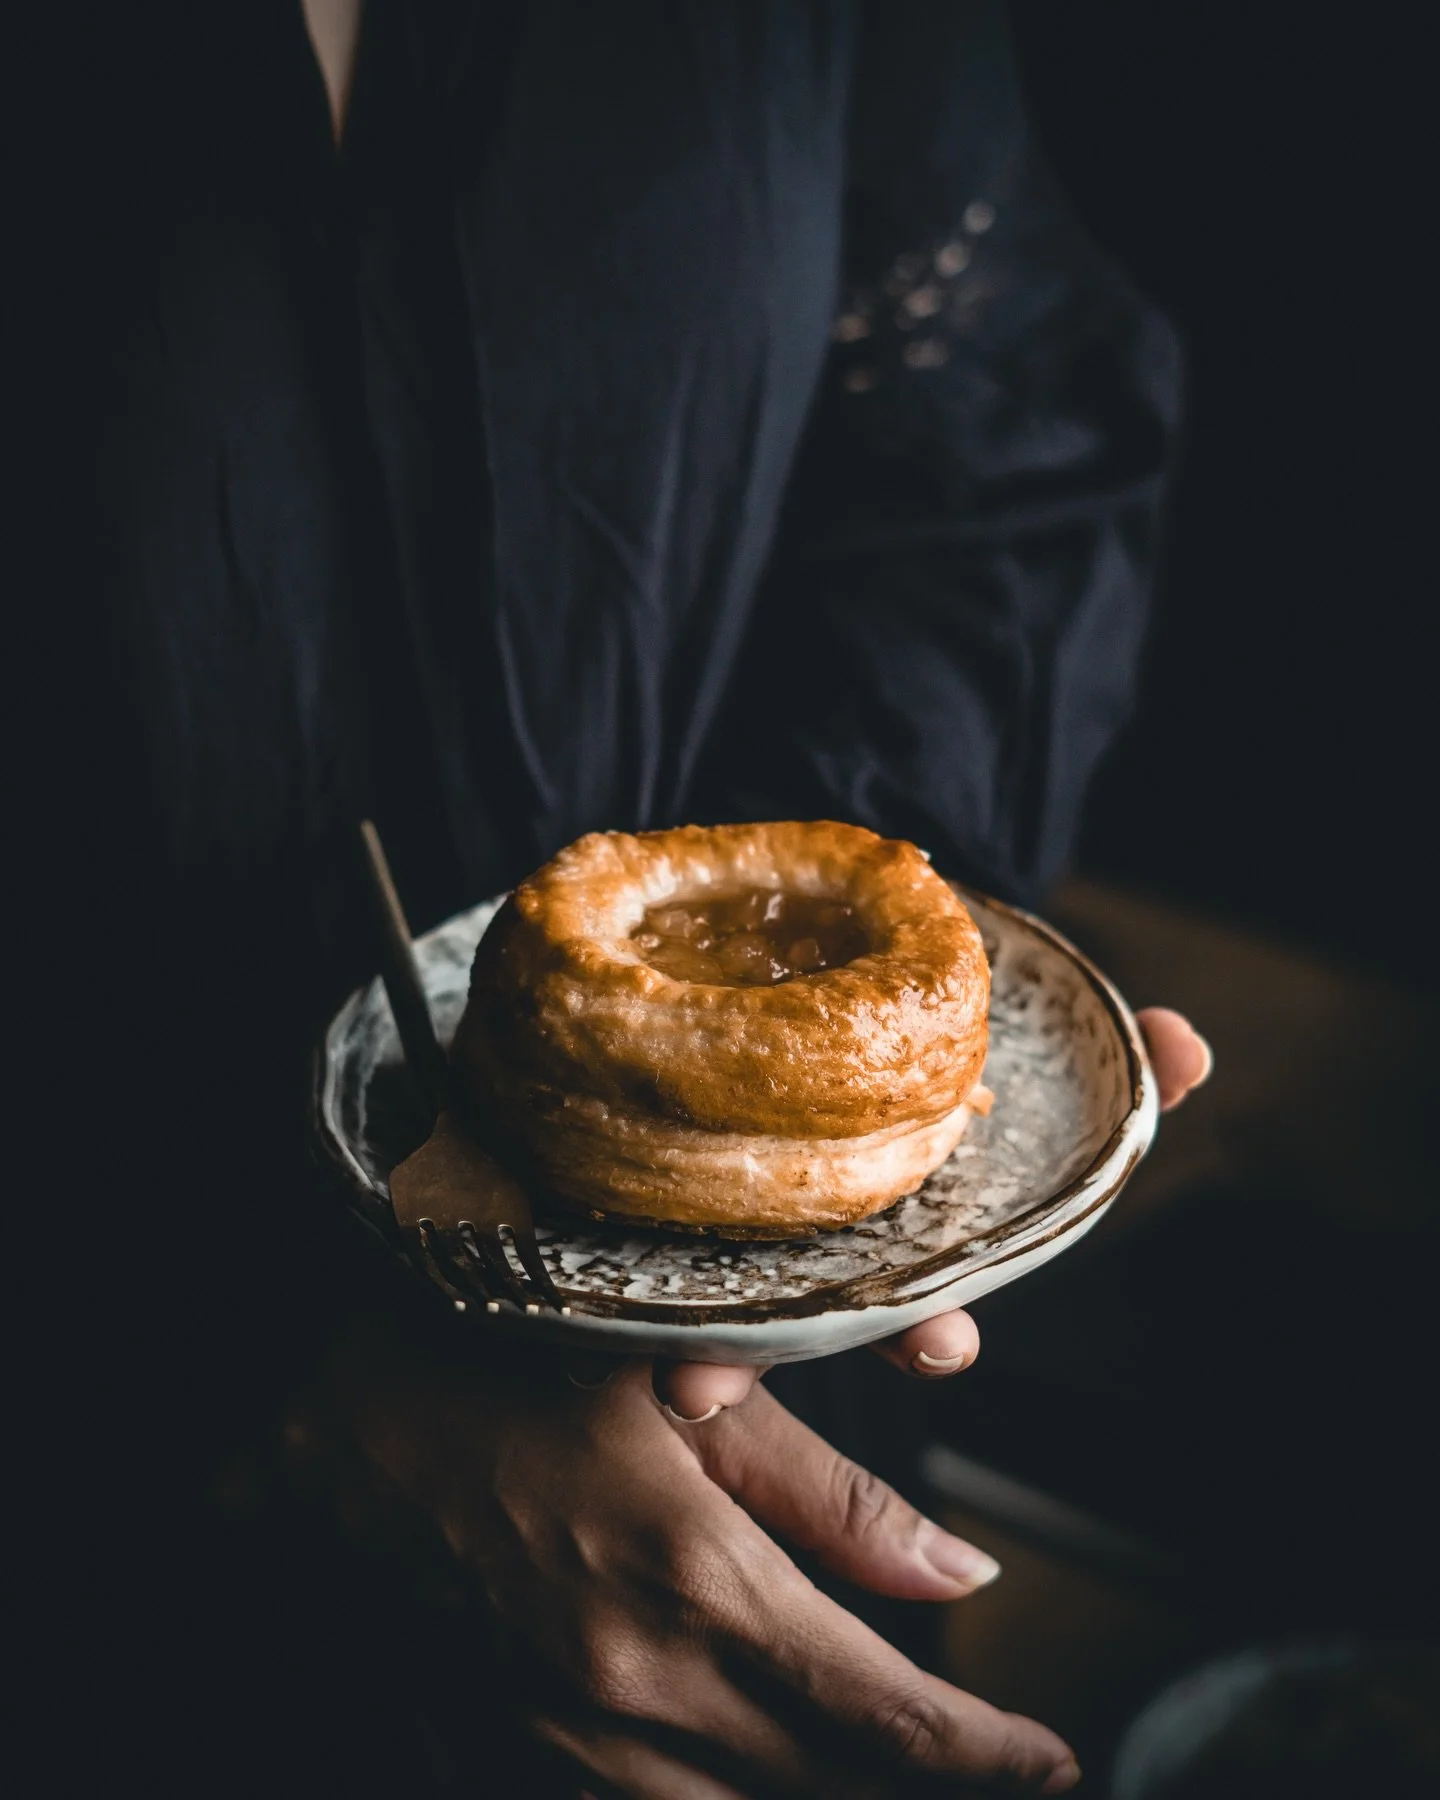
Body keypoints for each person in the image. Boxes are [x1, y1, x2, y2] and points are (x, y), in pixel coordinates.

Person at [19, 3, 1211, 1793]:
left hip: (769, 1393)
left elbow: (991, 435)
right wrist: (248, 1371)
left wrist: (826, 1125)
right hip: (113, 1481)